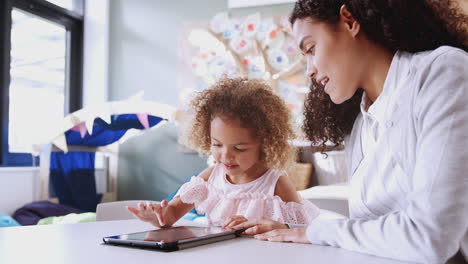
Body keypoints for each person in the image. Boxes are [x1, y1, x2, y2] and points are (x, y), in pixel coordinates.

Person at [229, 0, 468, 263]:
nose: (309, 70)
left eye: (311, 48)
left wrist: (318, 231)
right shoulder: (362, 125)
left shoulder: (443, 72)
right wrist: (295, 230)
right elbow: (367, 230)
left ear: (350, 21)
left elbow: (431, 237)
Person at [127, 77, 320, 228]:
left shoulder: (275, 183)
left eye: (239, 148)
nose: (226, 156)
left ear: (265, 143)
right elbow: (172, 213)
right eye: (217, 144)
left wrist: (274, 226)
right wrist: (158, 216)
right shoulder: (211, 176)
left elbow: (301, 230)